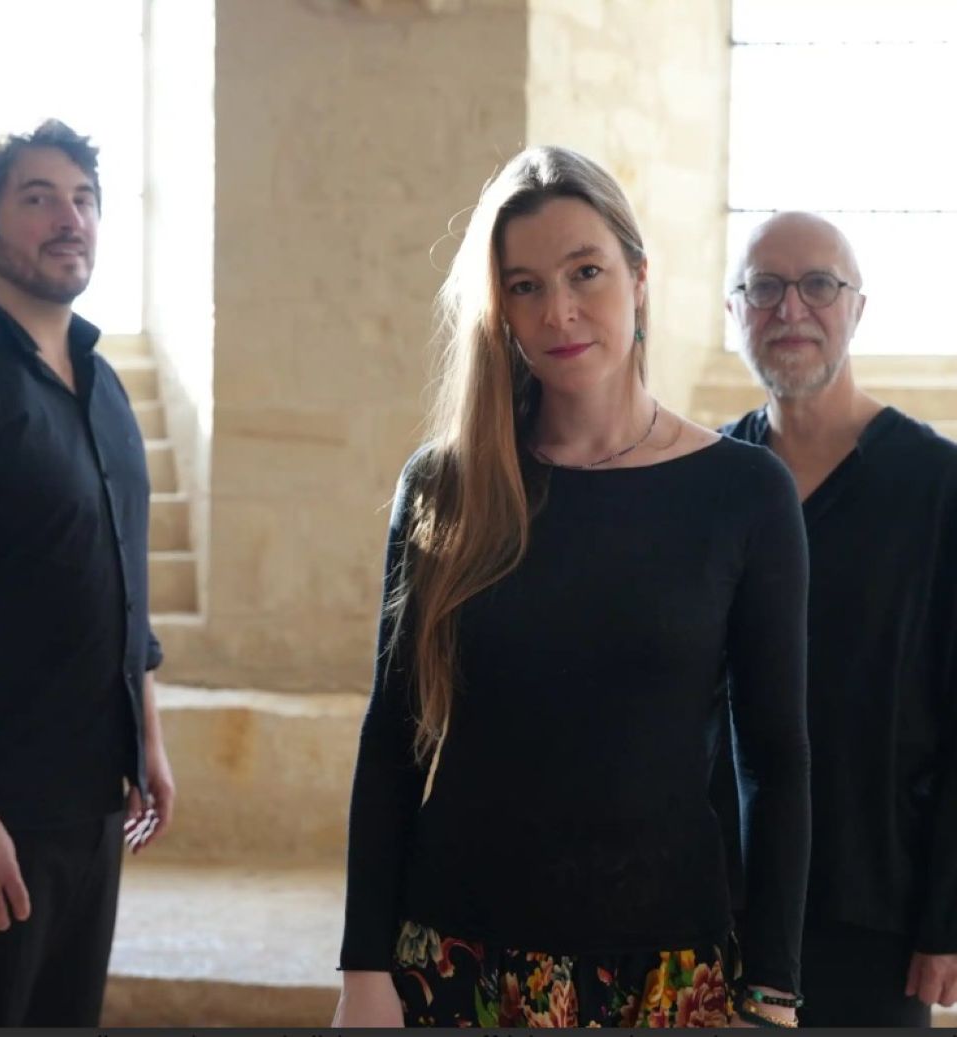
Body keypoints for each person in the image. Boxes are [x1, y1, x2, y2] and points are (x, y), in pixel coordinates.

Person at [333, 145, 810, 1029]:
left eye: (585, 271)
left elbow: (774, 760)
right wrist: (363, 967)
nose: (558, 310)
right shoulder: (446, 485)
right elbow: (392, 738)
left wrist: (773, 989)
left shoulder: (744, 492)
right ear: (500, 311)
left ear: (638, 276)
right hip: (460, 960)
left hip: (671, 971)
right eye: (524, 286)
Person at [0, 120, 175, 1026]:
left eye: (84, 200)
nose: (69, 218)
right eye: (38, 199)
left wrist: (147, 739)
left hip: (92, 802)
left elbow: (123, 575)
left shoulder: (102, 384)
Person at [723, 210, 957, 1027]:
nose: (791, 308)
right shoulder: (710, 481)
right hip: (725, 899)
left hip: (876, 906)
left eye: (819, 284)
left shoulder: (938, 485)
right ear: (735, 312)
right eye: (764, 288)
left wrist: (946, 915)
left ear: (858, 307)